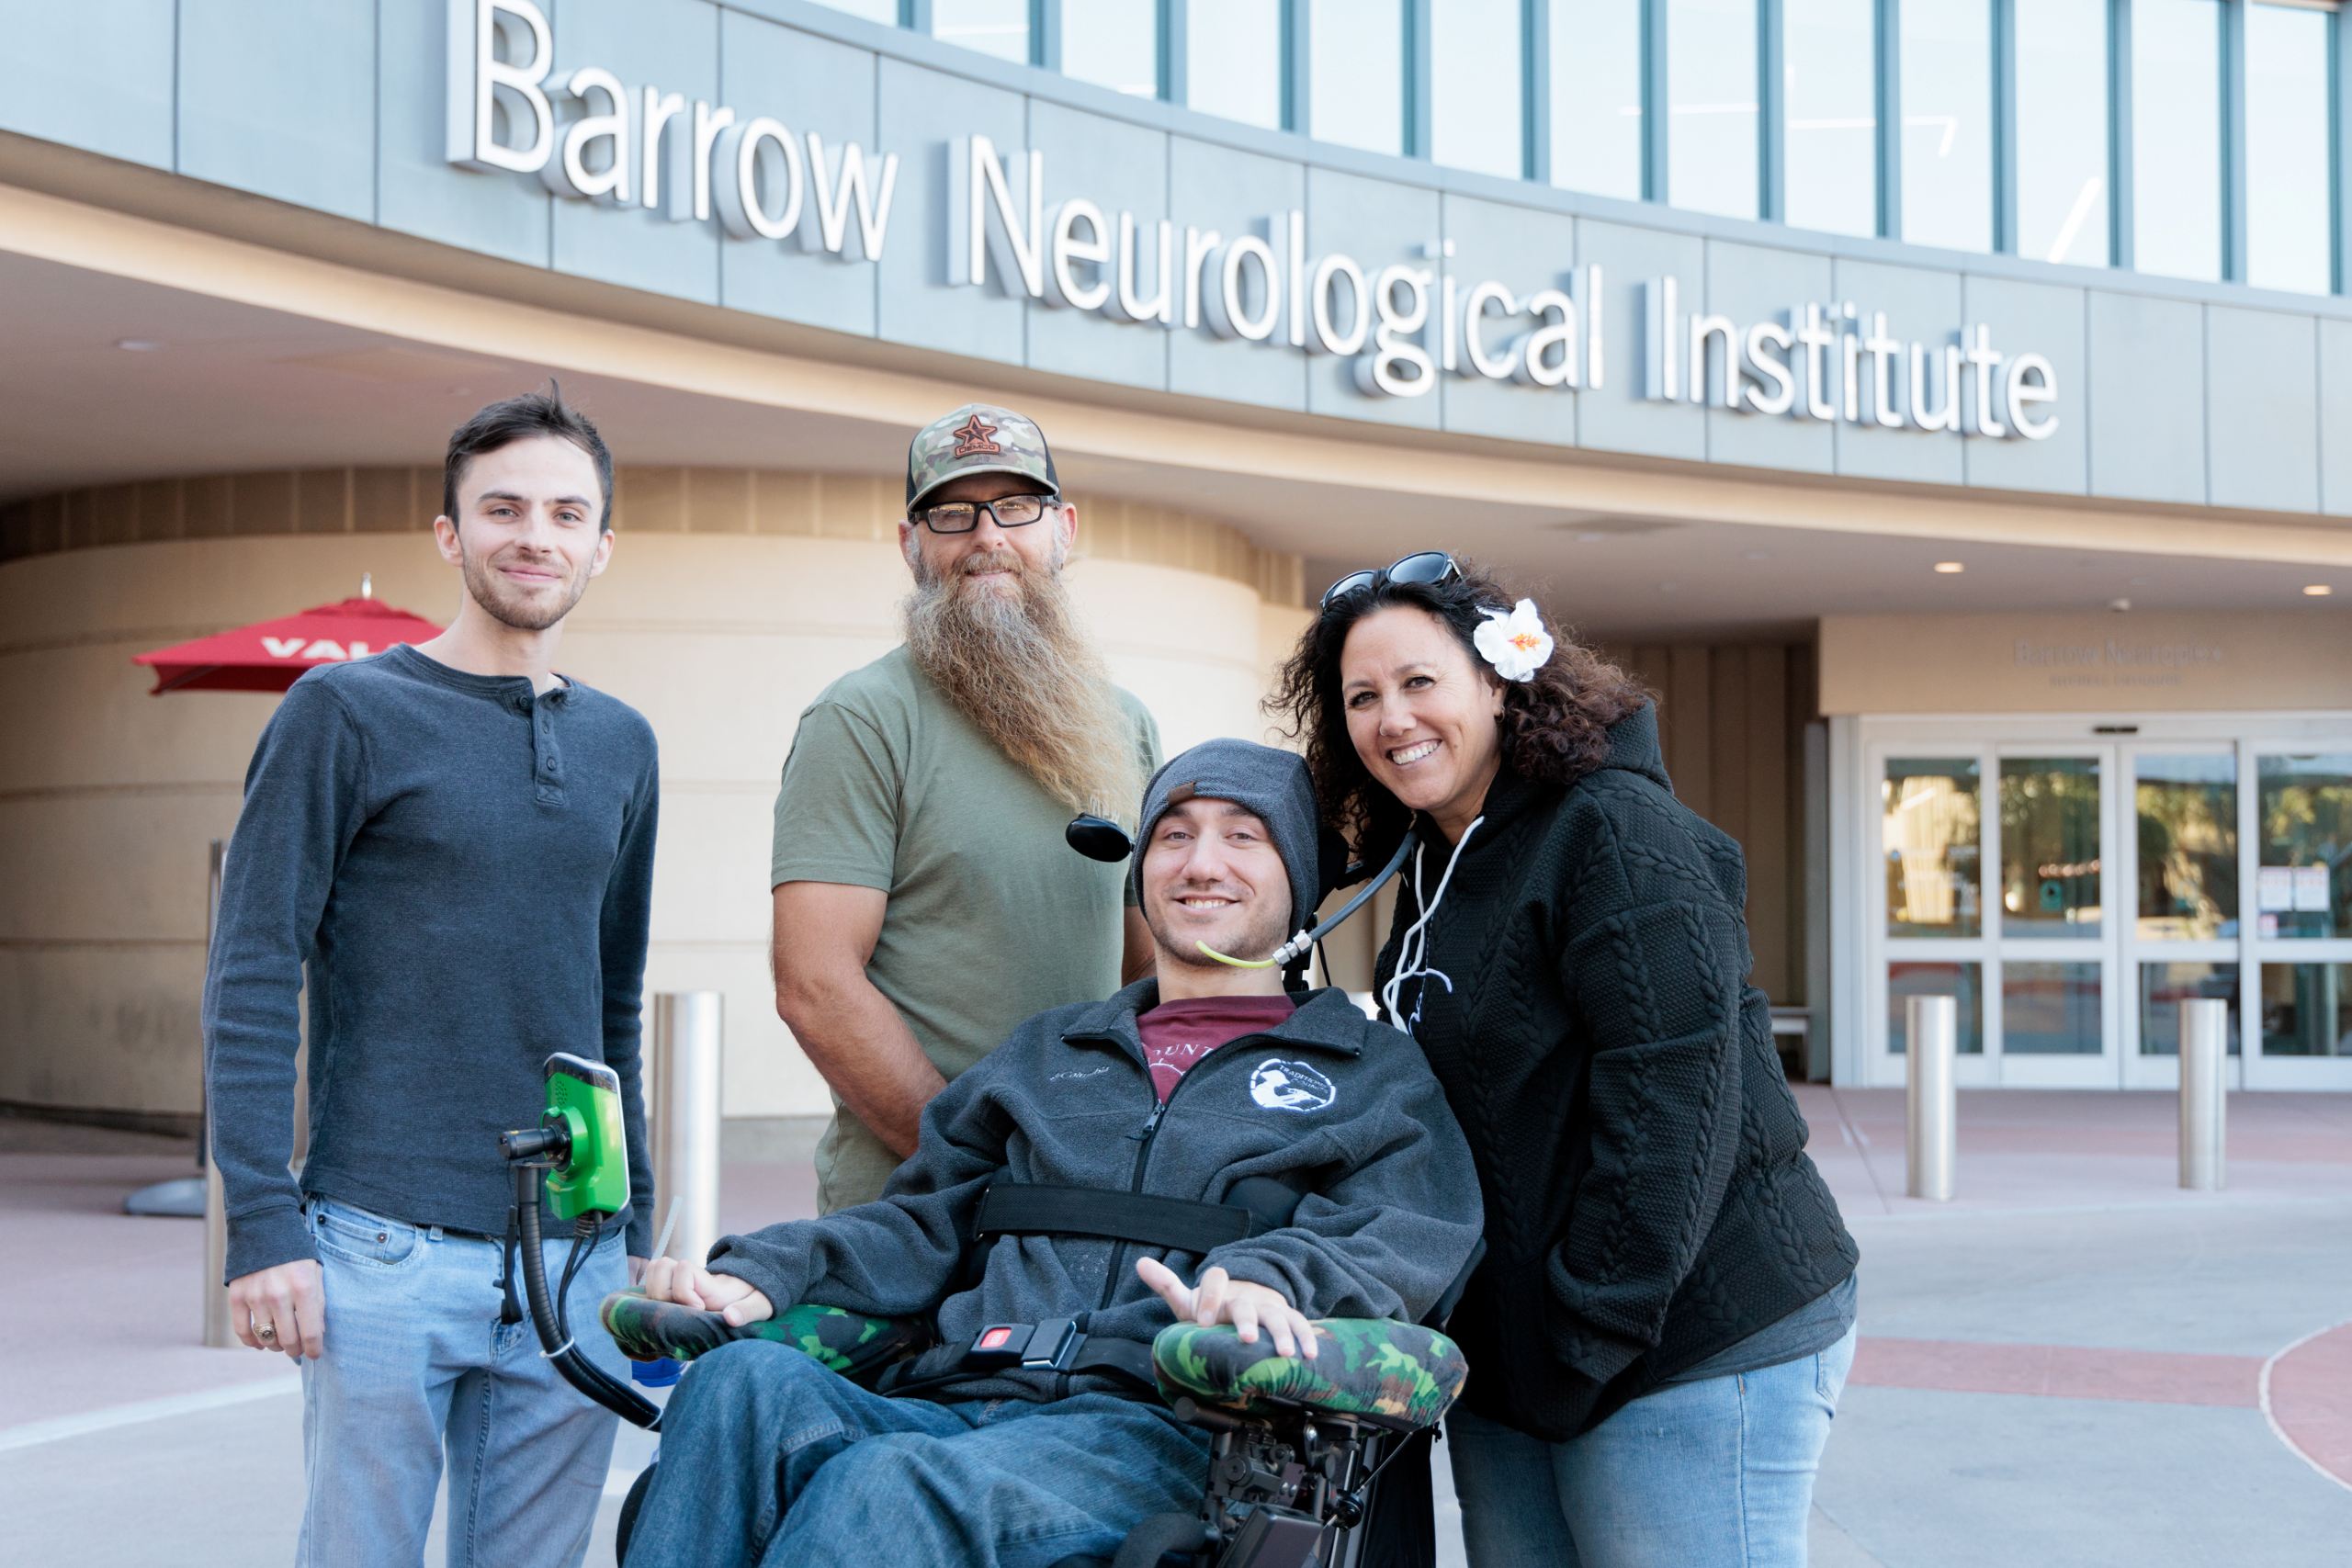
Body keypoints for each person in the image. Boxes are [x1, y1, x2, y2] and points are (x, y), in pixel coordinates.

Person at [623, 739, 1483, 1568]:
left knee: (885, 1488)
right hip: (958, 1396)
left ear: (1297, 876)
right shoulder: (1048, 1052)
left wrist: (1273, 1274)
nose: (1201, 862)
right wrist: (768, 1269)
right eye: (1174, 835)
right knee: (735, 1388)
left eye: (1243, 836)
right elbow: (922, 1221)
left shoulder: (1364, 1072)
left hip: (1160, 1430)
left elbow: (1412, 1227)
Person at [1270, 554, 1860, 1568]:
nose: (1391, 718)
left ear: (1499, 680)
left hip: (1682, 1340)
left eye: (1420, 682)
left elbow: (1672, 1112)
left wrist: (1585, 1336)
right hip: (1520, 1360)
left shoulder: (1618, 835)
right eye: (1361, 697)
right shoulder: (1440, 864)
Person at [203, 388, 658, 1568]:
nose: (534, 535)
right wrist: (261, 1224)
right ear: (450, 535)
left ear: (601, 546)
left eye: (566, 513)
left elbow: (612, 1000)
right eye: (501, 509)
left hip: (571, 1249)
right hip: (377, 1244)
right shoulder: (344, 712)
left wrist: (632, 1222)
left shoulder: (624, 745)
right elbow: (252, 971)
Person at [771, 401, 1161, 1213]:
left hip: (1078, 1201)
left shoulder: (1124, 723)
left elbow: (1150, 969)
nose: (987, 536)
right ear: (912, 543)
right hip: (908, 1209)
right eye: (952, 513)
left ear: (1063, 530)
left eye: (1017, 507)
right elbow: (816, 983)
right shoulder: (862, 718)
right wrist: (974, 1167)